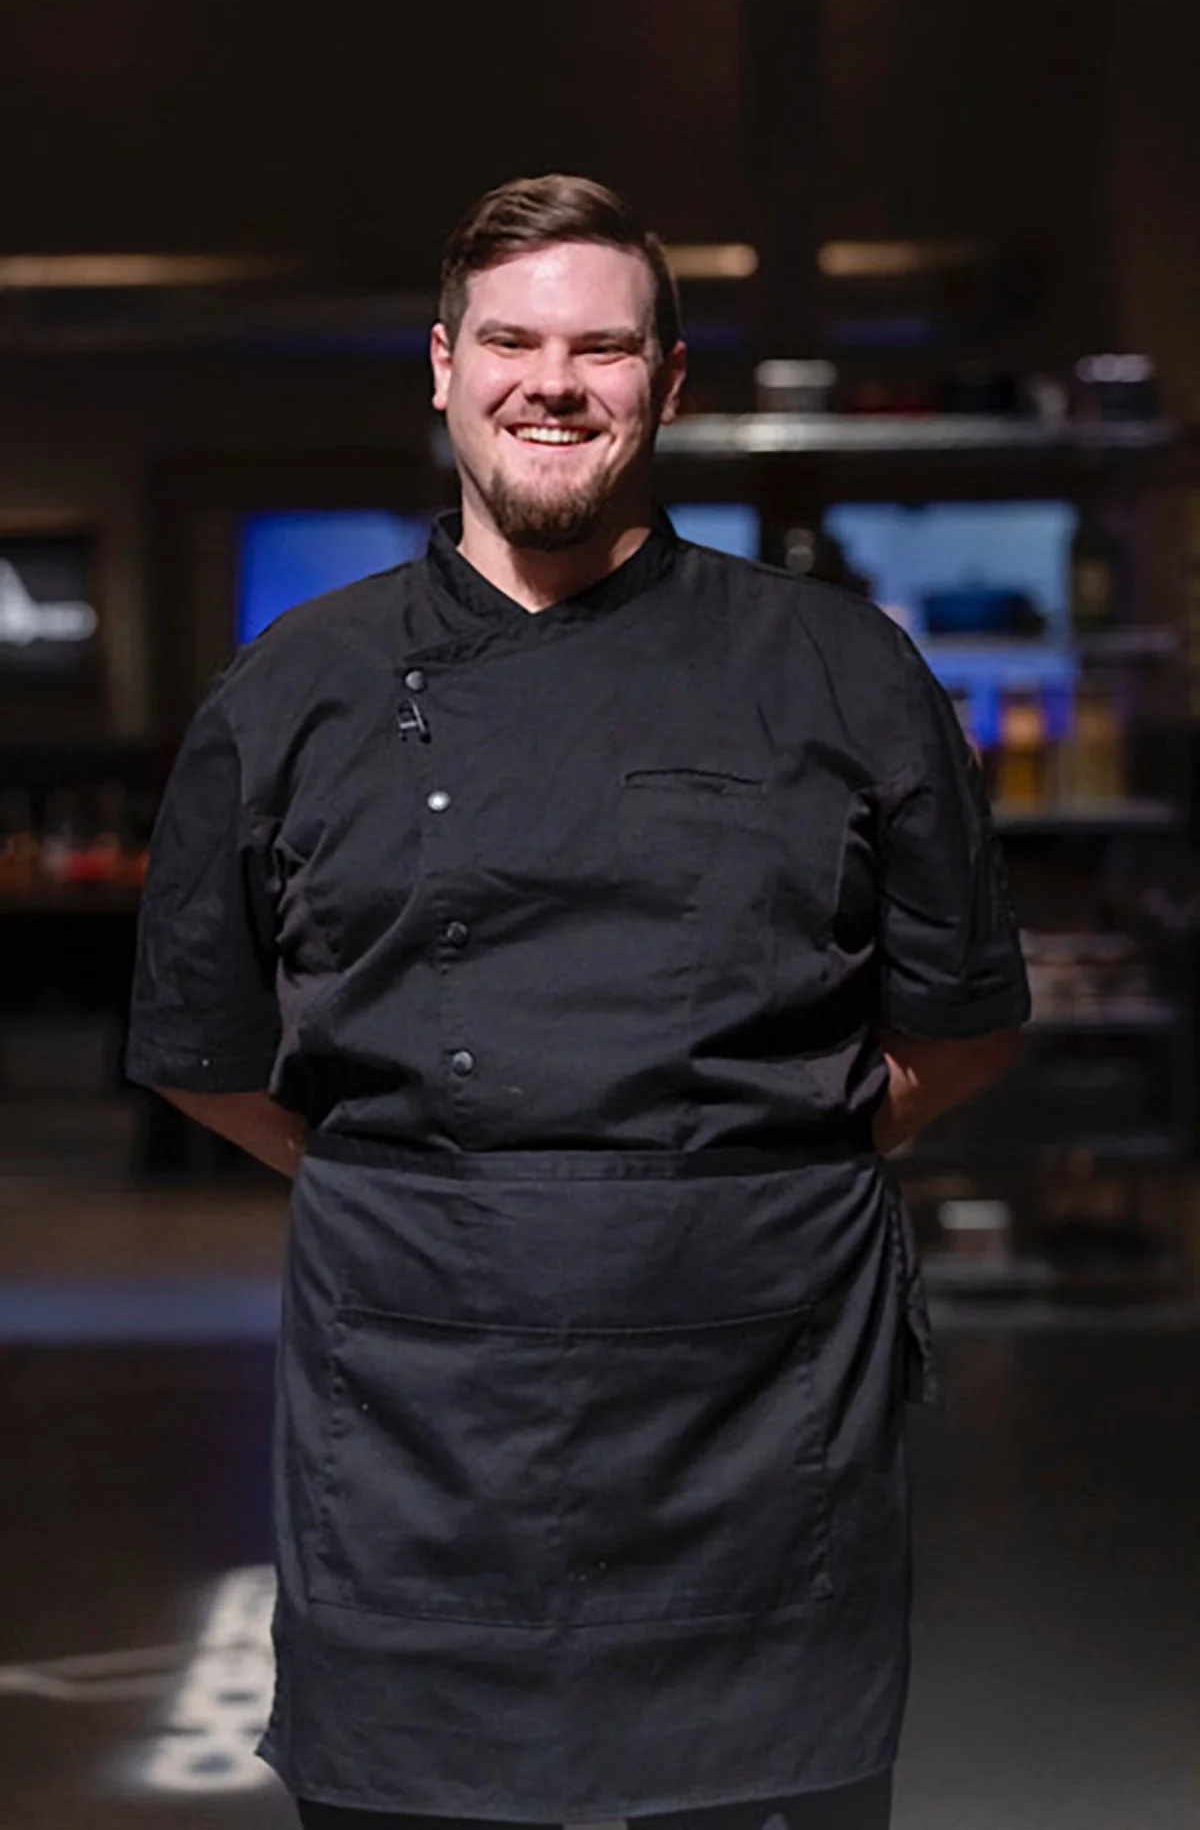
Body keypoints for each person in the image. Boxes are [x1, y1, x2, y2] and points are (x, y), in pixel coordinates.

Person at [125, 174, 1029, 1830]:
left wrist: (740, 1168)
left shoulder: (841, 669)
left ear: (668, 382)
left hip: (764, 1412)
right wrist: (427, 1196)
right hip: (413, 1425)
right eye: (515, 341)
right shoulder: (291, 691)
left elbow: (959, 1020)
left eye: (604, 346)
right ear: (444, 365)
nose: (557, 379)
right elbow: (199, 1048)